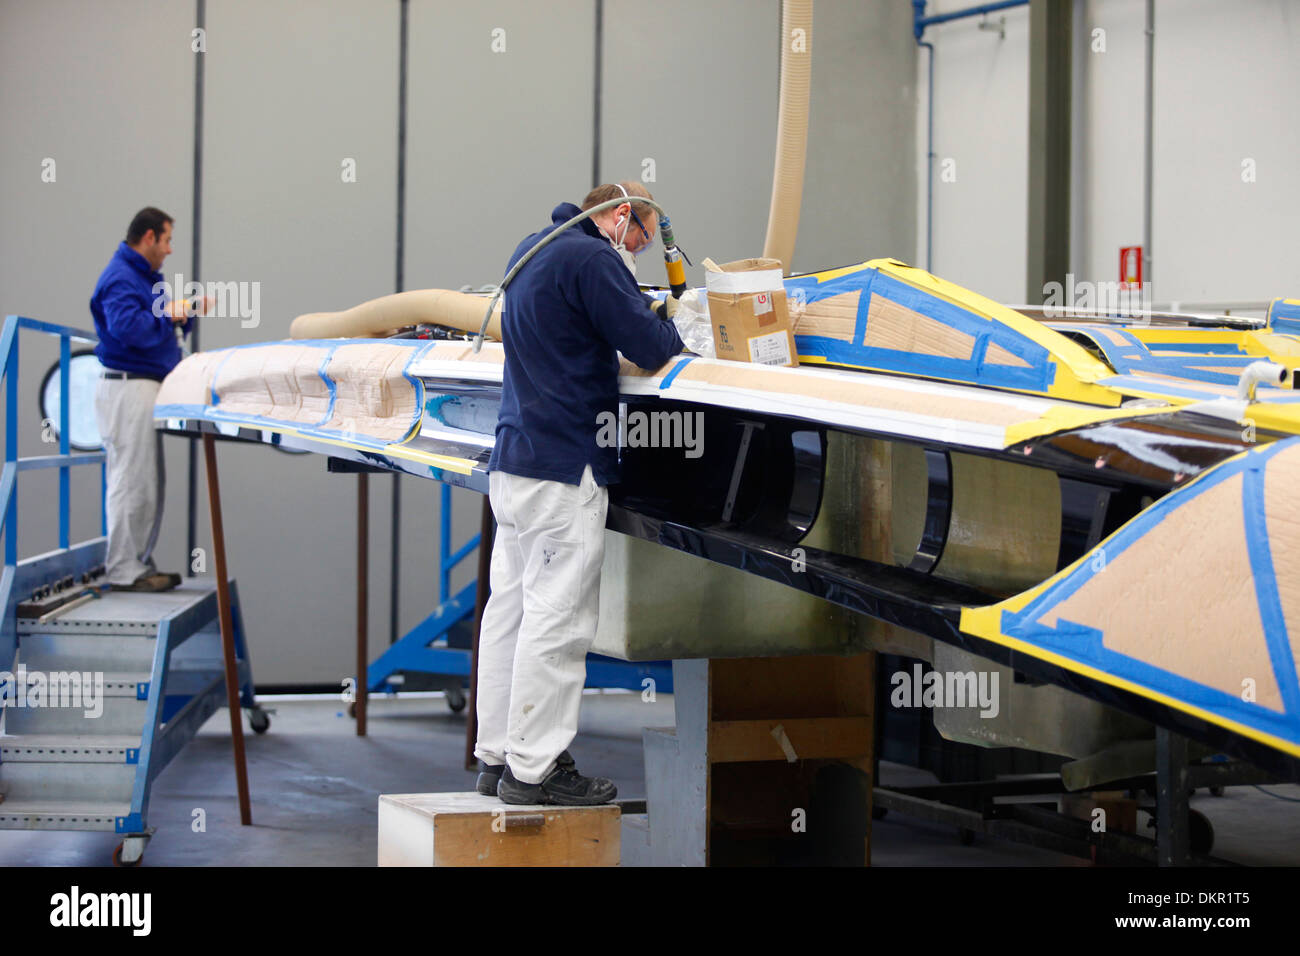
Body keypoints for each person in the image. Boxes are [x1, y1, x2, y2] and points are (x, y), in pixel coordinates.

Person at [475, 182, 685, 805]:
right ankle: (534, 772)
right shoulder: (593, 258)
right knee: (557, 618)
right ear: (621, 216)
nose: (641, 251)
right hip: (564, 468)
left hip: (514, 462)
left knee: (507, 612)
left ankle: (495, 758)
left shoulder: (534, 247)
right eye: (643, 237)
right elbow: (651, 348)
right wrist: (677, 327)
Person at [90, 207, 208, 592]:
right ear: (148, 238)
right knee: (132, 479)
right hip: (129, 388)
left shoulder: (141, 278)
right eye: (168, 240)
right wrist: (168, 315)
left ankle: (135, 562)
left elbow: (154, 326)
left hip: (142, 387)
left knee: (144, 479)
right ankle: (124, 569)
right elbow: (128, 329)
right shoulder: (122, 279)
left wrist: (183, 314)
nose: (170, 249)